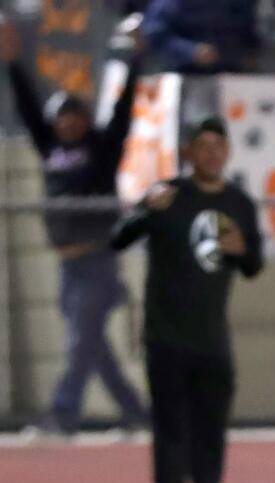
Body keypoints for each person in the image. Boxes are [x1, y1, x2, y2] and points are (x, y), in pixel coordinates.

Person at [111, 117, 264, 483]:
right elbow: (118, 239)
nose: (212, 154)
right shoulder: (169, 196)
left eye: (219, 146)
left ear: (227, 152)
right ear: (188, 152)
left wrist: (243, 251)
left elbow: (253, 267)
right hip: (166, 337)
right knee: (172, 431)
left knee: (211, 432)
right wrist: (143, 212)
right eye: (203, 146)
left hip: (212, 337)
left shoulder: (239, 203)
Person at [1, 17, 148, 438]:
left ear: (85, 120)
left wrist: (136, 59)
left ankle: (62, 417)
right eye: (61, 117)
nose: (68, 123)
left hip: (97, 261)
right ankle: (137, 414)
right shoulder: (50, 148)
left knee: (80, 344)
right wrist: (12, 60)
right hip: (67, 267)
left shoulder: (100, 150)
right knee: (94, 349)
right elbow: (29, 105)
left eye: (74, 116)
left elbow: (123, 113)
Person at [141, 0, 259, 73]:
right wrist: (191, 51)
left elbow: (249, 29)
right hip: (184, 76)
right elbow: (154, 34)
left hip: (232, 76)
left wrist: (251, 52)